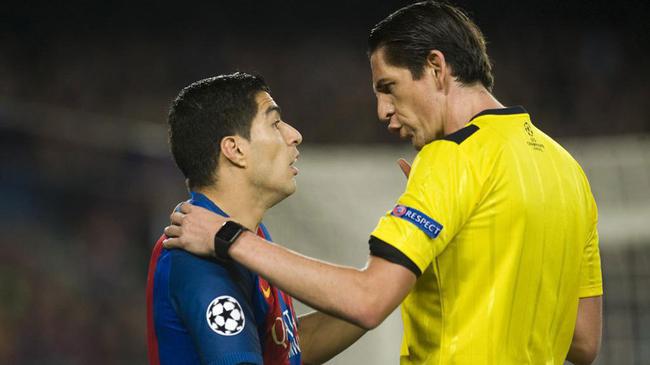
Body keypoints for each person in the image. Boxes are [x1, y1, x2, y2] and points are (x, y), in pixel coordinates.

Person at [162, 2, 603, 364]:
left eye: (389, 87)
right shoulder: (568, 171)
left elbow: (369, 300)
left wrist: (229, 238)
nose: (383, 111)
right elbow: (584, 341)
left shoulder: (450, 159)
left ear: (436, 68)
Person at [146, 73, 365, 365]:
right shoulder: (197, 257)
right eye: (275, 123)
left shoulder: (243, 236)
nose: (294, 134)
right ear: (235, 150)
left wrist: (399, 274)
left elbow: (286, 351)